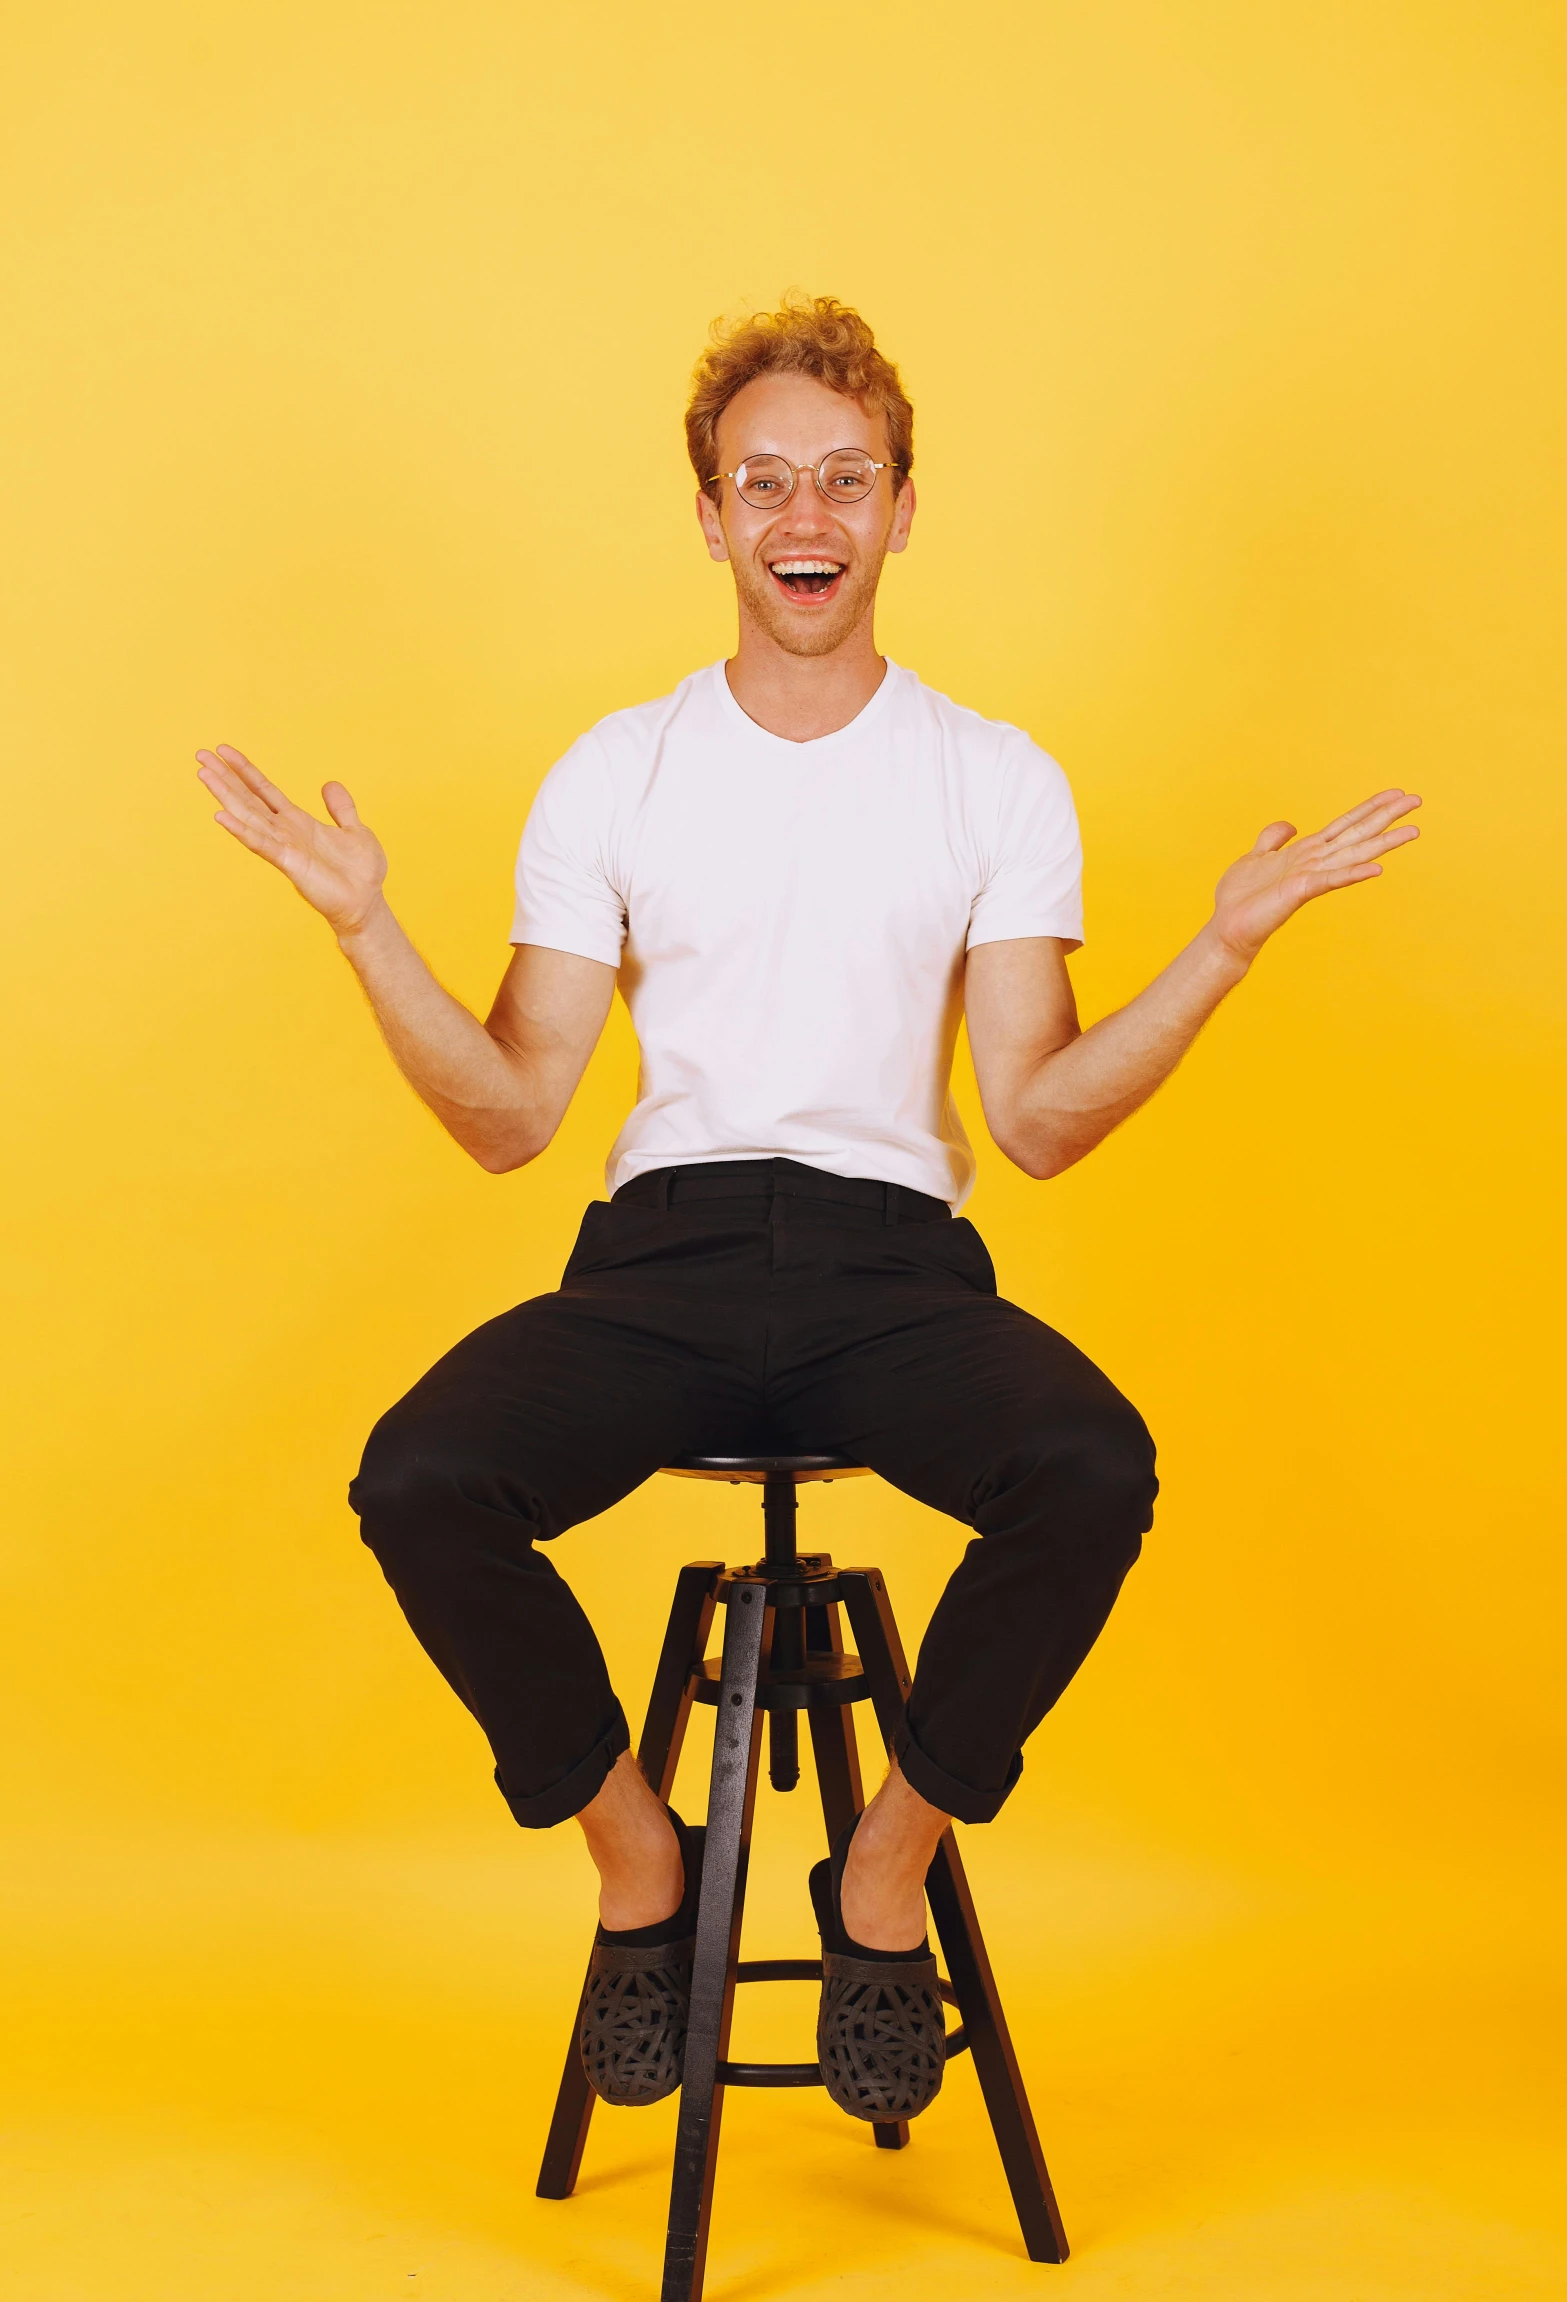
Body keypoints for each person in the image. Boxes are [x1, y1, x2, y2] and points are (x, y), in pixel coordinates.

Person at [197, 296, 1420, 2122]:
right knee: (419, 1478)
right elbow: (514, 1114)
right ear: (708, 516)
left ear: (901, 508)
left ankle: (880, 1872)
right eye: (764, 479)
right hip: (660, 1263)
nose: (805, 514)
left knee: (1092, 1463)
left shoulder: (993, 776)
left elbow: (1038, 1116)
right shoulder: (616, 769)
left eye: (844, 478)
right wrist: (370, 930)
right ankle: (642, 1866)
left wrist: (1219, 952)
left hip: (886, 1271)